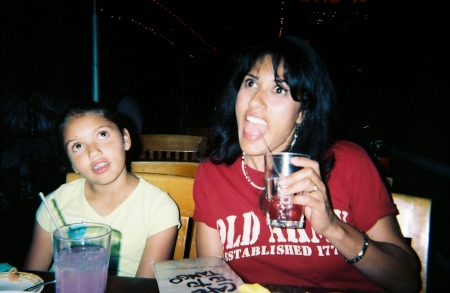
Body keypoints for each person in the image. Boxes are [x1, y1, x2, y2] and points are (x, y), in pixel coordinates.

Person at [193, 36, 421, 292]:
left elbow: (406, 281)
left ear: (302, 113)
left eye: (279, 89)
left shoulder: (348, 163)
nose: (254, 101)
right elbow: (211, 278)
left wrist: (332, 227)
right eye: (250, 83)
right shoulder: (214, 173)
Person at [23, 102, 180, 278]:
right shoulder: (54, 204)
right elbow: (30, 280)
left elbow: (143, 287)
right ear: (72, 163)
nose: (93, 152)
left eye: (103, 134)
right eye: (77, 146)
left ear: (126, 139)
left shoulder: (158, 207)